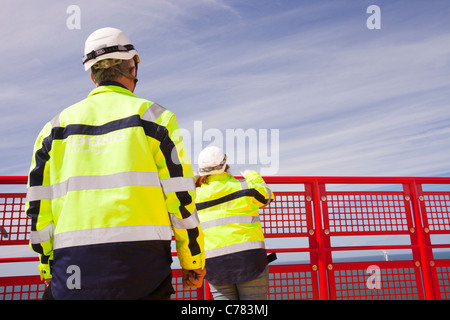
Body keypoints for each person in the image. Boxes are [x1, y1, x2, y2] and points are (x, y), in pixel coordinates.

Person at [25, 27, 205, 300]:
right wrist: (192, 260)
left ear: (92, 75)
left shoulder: (52, 129)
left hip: (71, 270)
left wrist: (48, 266)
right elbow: (181, 200)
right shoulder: (157, 119)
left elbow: (39, 210)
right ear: (132, 68)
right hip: (142, 269)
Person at [195, 146, 275, 300]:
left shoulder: (194, 196)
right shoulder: (245, 188)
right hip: (250, 260)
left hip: (215, 264)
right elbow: (267, 196)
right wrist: (252, 176)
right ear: (225, 164)